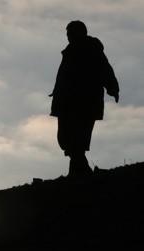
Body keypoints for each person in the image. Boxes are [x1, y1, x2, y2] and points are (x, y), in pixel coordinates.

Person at [50, 20, 119, 177]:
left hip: (85, 101)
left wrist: (113, 87)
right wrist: (57, 93)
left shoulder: (92, 49)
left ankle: (79, 172)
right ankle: (79, 169)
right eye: (67, 34)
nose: (68, 37)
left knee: (78, 138)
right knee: (65, 138)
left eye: (70, 34)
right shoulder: (68, 52)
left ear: (79, 33)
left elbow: (104, 69)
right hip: (66, 102)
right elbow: (63, 76)